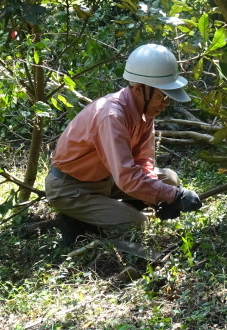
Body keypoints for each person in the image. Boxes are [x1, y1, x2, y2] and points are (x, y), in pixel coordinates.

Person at [46, 43, 202, 245]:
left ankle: (110, 211)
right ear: (139, 89)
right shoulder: (111, 116)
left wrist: (159, 197)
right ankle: (80, 220)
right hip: (70, 188)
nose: (166, 103)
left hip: (107, 180)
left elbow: (143, 162)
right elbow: (127, 177)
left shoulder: (145, 112)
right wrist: (175, 196)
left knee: (169, 178)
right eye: (163, 95)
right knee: (138, 223)